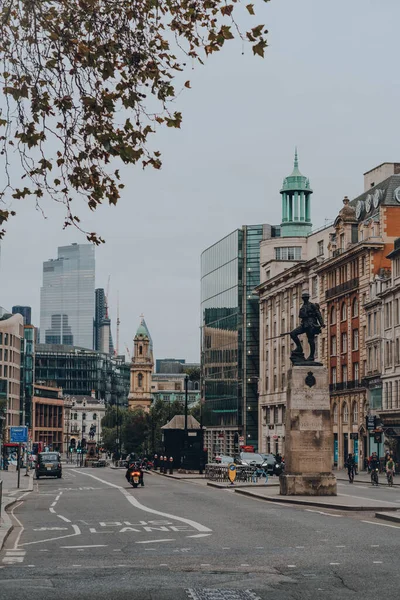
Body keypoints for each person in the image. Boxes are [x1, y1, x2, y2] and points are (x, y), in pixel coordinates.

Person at [290, 291, 325, 362]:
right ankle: (299, 348)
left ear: (308, 298)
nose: (305, 299)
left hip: (311, 324)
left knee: (311, 340)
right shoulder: (303, 306)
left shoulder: (312, 305)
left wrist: (322, 323)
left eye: (306, 297)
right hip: (304, 324)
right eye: (303, 298)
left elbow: (318, 314)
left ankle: (311, 356)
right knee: (293, 333)